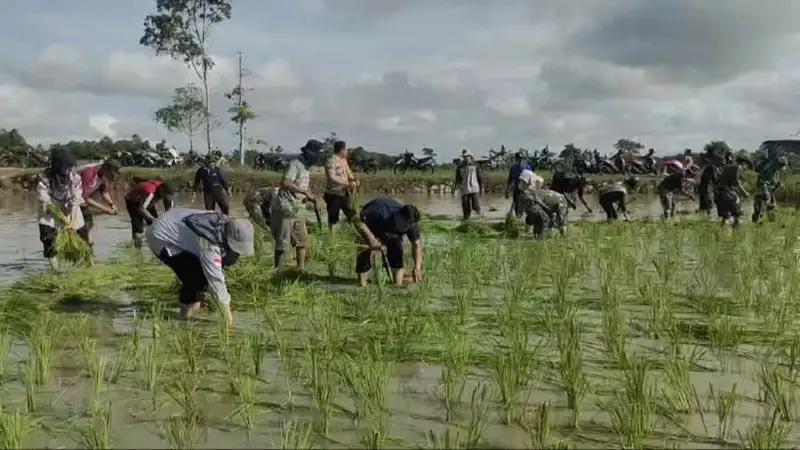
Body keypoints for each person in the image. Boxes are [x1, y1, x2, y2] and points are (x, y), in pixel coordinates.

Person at [146, 208, 254, 325]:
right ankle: (185, 319)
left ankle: (194, 307)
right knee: (196, 279)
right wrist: (228, 320)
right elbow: (216, 281)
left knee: (203, 279)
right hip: (161, 237)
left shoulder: (223, 224)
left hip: (173, 221)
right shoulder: (208, 243)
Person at [271, 139, 322, 271]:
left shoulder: (306, 168)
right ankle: (279, 271)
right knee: (283, 241)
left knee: (302, 240)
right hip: (286, 207)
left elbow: (301, 185)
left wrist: (311, 195)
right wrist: (304, 192)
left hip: (299, 208)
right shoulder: (295, 164)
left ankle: (300, 269)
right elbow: (285, 183)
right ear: (308, 154)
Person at [354, 197, 423, 287]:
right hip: (371, 224)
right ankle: (362, 285)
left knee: (396, 249)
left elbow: (417, 245)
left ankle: (397, 284)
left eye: (407, 226)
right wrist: (372, 240)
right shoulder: (378, 213)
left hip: (390, 230)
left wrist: (417, 267)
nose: (405, 227)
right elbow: (357, 220)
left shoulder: (411, 224)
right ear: (398, 215)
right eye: (402, 224)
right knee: (364, 250)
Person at [37, 148, 86, 269]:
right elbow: (46, 201)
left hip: (70, 208)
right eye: (63, 167)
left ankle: (78, 266)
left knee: (80, 237)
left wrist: (72, 221)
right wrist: (61, 217)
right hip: (50, 209)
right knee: (49, 239)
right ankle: (56, 269)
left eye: (68, 166)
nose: (66, 170)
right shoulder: (44, 179)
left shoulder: (75, 178)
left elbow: (75, 201)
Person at [78, 159, 121, 243]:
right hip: (72, 201)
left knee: (89, 224)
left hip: (81, 202)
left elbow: (104, 192)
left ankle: (87, 244)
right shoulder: (90, 173)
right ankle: (84, 244)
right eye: (111, 173)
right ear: (105, 168)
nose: (111, 176)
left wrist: (112, 204)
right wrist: (106, 209)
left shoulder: (103, 176)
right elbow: (85, 197)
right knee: (82, 226)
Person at [124, 179, 175, 248]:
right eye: (165, 196)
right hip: (133, 201)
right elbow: (141, 209)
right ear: (162, 190)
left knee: (156, 226)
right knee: (139, 228)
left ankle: (157, 246)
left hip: (147, 201)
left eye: (168, 197)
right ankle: (137, 249)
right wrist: (154, 220)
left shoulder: (166, 194)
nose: (166, 198)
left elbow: (170, 211)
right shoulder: (150, 192)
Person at [324, 140, 359, 229]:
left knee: (351, 214)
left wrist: (354, 179)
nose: (347, 151)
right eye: (346, 149)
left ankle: (355, 232)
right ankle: (332, 238)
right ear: (342, 150)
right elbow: (332, 177)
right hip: (334, 194)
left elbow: (348, 172)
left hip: (344, 193)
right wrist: (347, 183)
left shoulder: (343, 160)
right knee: (333, 218)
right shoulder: (331, 161)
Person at [715, 155, 750, 227]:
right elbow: (737, 182)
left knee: (725, 216)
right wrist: (745, 192)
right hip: (728, 193)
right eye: (746, 165)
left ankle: (721, 230)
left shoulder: (727, 166)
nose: (745, 167)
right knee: (737, 213)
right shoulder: (737, 168)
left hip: (719, 193)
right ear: (743, 163)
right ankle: (736, 233)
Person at [752, 156, 787, 223]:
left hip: (769, 189)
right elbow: (762, 179)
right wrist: (765, 191)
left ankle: (770, 221)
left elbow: (775, 181)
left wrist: (780, 185)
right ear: (779, 164)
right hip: (763, 189)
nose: (781, 168)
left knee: (772, 207)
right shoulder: (769, 168)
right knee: (760, 208)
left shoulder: (776, 171)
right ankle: (756, 221)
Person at [454, 149, 483, 220]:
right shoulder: (460, 167)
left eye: (467, 156)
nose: (466, 158)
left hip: (474, 187)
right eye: (464, 157)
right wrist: (455, 189)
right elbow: (457, 178)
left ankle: (479, 217)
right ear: (463, 157)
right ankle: (466, 219)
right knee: (465, 206)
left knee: (476, 205)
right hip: (464, 188)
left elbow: (479, 177)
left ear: (470, 156)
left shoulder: (476, 165)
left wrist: (482, 187)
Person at [506, 152, 532, 217]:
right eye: (519, 158)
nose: (520, 160)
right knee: (516, 205)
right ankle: (518, 218)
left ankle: (526, 218)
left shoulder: (528, 167)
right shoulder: (513, 168)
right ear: (516, 159)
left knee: (528, 205)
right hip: (517, 189)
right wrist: (507, 190)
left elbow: (532, 179)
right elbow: (510, 180)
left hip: (526, 190)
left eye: (522, 158)